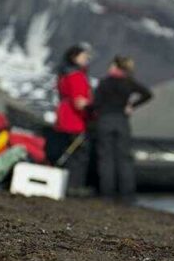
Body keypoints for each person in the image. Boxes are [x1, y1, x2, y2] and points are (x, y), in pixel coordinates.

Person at [91, 55, 152, 201]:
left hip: (105, 120)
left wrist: (89, 110)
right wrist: (132, 106)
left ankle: (107, 194)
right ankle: (127, 194)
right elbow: (147, 94)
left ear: (115, 66)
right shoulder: (128, 82)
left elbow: (96, 104)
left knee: (106, 159)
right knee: (124, 158)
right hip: (121, 121)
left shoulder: (104, 83)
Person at [51, 44, 93, 189]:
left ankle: (65, 184)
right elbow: (79, 101)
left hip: (63, 118)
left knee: (67, 151)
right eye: (84, 56)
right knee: (78, 155)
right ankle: (74, 186)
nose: (87, 59)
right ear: (74, 58)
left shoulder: (63, 75)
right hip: (75, 120)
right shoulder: (76, 76)